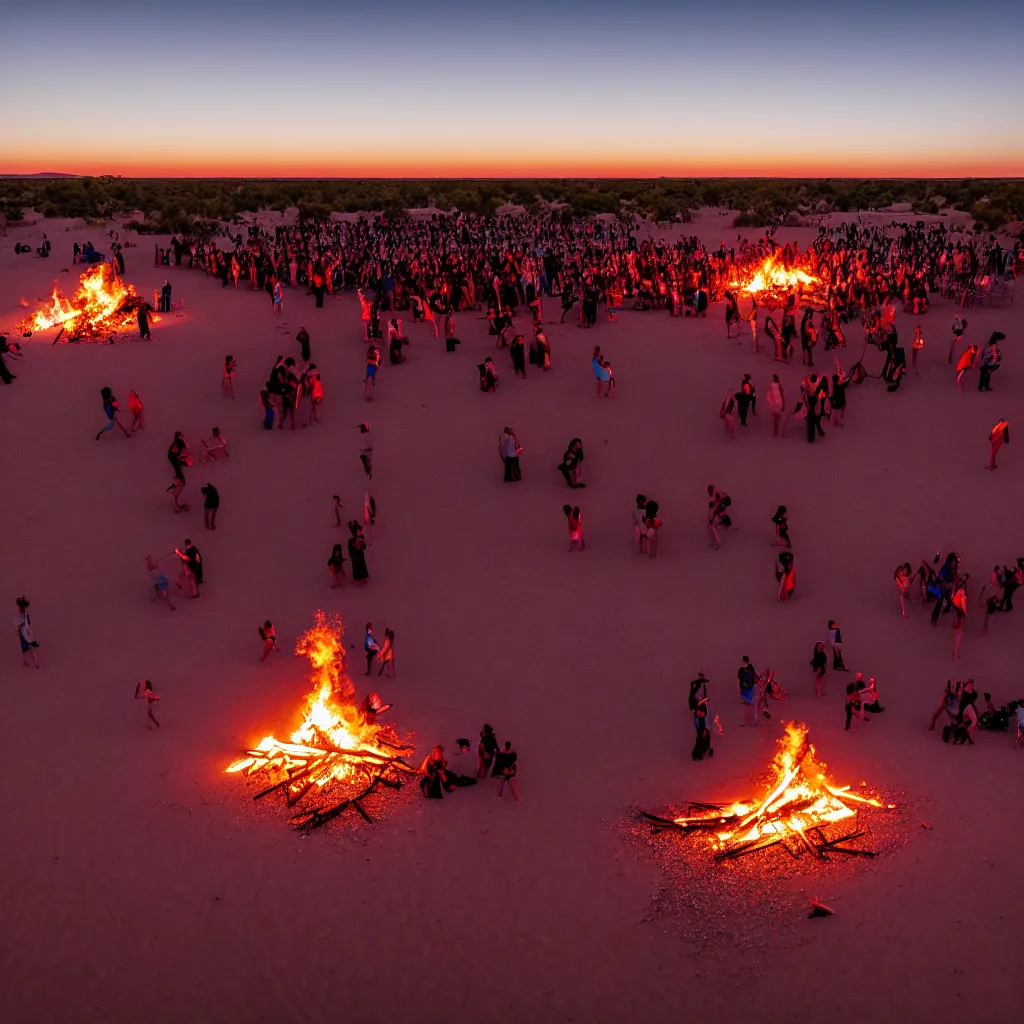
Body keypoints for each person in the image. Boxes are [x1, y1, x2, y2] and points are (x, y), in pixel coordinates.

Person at [166, 431, 190, 511]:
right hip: (175, 464)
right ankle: (176, 504)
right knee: (180, 481)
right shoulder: (178, 444)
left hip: (175, 462)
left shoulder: (176, 444)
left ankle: (173, 491)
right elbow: (181, 454)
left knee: (180, 480)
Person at [14, 596, 39, 668]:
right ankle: (37, 664)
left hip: (23, 632)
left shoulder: (18, 614)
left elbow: (18, 625)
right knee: (32, 647)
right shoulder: (26, 613)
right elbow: (28, 622)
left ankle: (25, 662)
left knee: (24, 648)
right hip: (28, 631)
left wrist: (17, 631)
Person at [737, 656, 758, 726]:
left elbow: (739, 679)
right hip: (751, 688)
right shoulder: (751, 667)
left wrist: (740, 689)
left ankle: (743, 721)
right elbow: (755, 677)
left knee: (744, 705)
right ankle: (754, 720)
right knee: (754, 705)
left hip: (744, 690)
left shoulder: (741, 670)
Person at [348, 522, 369, 586]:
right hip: (355, 555)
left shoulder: (361, 538)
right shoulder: (351, 541)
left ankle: (363, 579)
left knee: (361, 566)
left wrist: (362, 545)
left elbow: (364, 547)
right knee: (357, 567)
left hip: (360, 554)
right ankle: (360, 578)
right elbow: (350, 549)